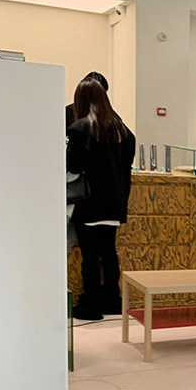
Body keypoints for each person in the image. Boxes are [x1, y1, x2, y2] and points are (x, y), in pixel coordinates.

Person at [67, 77, 135, 320]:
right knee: (108, 252)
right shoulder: (122, 130)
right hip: (114, 203)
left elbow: (74, 165)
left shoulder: (79, 129)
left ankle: (91, 305)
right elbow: (127, 163)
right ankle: (113, 301)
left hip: (89, 202)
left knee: (90, 255)